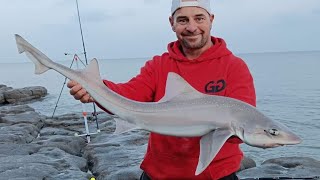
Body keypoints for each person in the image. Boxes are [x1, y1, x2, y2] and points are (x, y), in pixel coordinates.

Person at [67, 0, 256, 179]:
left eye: (199, 18)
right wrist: (98, 91)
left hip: (216, 175)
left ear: (211, 19)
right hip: (159, 174)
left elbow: (247, 121)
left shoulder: (234, 67)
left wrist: (258, 137)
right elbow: (130, 95)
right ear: (171, 23)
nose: (191, 27)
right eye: (182, 20)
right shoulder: (159, 66)